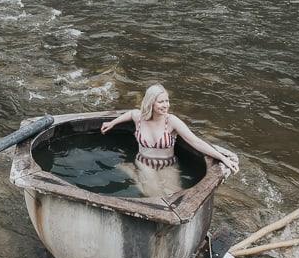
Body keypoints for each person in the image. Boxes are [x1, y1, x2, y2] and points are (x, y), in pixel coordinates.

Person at [101, 84, 239, 196]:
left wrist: (223, 158)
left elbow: (195, 141)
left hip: (168, 164)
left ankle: (135, 174)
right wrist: (112, 123)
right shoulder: (140, 118)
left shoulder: (171, 121)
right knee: (152, 194)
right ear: (151, 102)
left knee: (174, 195)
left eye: (167, 101)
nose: (166, 105)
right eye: (161, 101)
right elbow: (131, 113)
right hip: (144, 162)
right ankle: (131, 170)